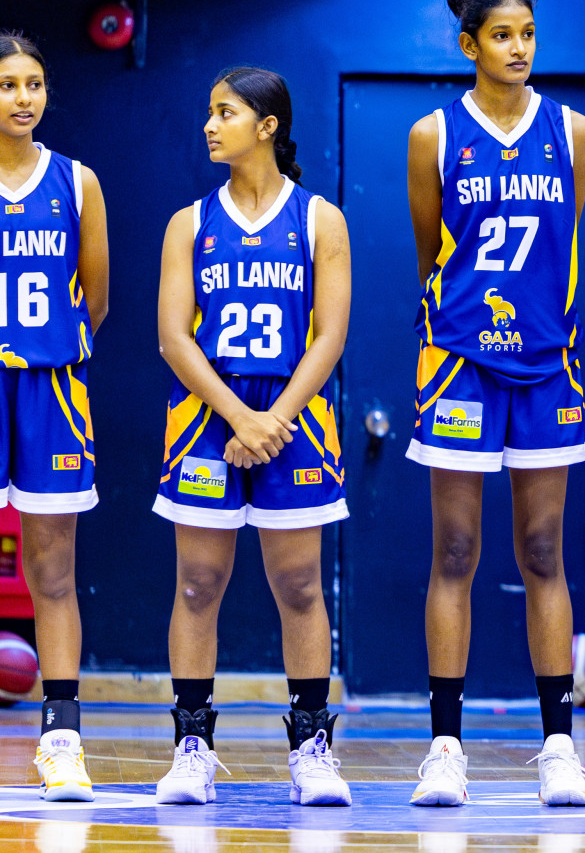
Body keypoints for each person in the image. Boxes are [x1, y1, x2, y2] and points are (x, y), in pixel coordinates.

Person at [405, 0, 585, 808]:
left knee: (544, 553)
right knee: (454, 552)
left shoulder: (575, 130)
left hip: (548, 363)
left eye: (529, 33)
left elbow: (567, 245)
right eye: (503, 35)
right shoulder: (432, 135)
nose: (519, 47)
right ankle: (446, 745)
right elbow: (430, 252)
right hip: (459, 362)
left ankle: (558, 746)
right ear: (469, 45)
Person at [154, 67, 352, 807]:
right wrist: (240, 418)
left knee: (299, 585)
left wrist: (274, 420)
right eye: (210, 111)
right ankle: (192, 747)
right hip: (209, 419)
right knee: (199, 584)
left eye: (225, 112)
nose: (210, 124)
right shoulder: (189, 222)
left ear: (267, 125)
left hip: (294, 418)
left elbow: (330, 336)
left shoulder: (320, 219)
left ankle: (311, 747)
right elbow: (175, 338)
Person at [0, 34, 108, 802]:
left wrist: (52, 350)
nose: (24, 98)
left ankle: (61, 740)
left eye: (35, 83)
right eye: (9, 85)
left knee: (53, 571)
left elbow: (94, 299)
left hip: (51, 388)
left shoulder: (76, 182)